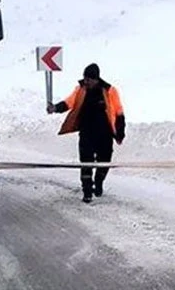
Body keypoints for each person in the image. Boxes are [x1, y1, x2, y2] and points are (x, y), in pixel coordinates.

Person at [47, 63, 125, 202]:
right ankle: (87, 191)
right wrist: (55, 108)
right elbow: (69, 102)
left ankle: (99, 181)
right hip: (86, 133)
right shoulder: (80, 90)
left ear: (96, 79)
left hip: (105, 134)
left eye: (89, 79)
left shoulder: (110, 91)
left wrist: (120, 131)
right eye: (85, 78)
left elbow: (119, 112)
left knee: (104, 162)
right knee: (86, 163)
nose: (86, 81)